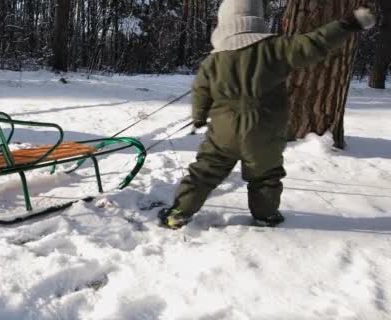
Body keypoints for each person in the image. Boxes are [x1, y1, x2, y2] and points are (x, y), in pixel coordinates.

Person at [159, 0, 376, 229]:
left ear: (224, 23)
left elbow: (201, 90)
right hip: (265, 132)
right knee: (265, 176)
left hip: (223, 132)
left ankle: (179, 213)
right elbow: (314, 42)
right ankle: (266, 216)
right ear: (256, 18)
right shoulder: (276, 48)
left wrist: (199, 116)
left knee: (204, 172)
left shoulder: (214, 59)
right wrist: (348, 24)